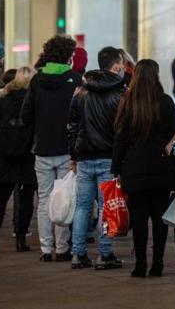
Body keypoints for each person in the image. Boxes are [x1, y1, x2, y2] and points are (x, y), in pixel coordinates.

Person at [112, 59, 175, 278]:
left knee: (139, 219)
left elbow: (120, 139)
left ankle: (140, 263)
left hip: (134, 168)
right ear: (156, 76)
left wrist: (116, 167)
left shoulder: (128, 102)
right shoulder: (166, 102)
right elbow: (174, 136)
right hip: (162, 168)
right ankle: (157, 263)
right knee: (160, 219)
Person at [21, 35, 82, 262]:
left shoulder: (37, 81)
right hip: (66, 150)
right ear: (68, 55)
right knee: (66, 197)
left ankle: (46, 249)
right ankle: (63, 247)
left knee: (45, 199)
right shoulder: (75, 80)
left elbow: (26, 115)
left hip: (42, 149)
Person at [67, 47, 126, 270]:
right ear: (116, 65)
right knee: (106, 207)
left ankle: (78, 254)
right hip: (108, 158)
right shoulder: (119, 94)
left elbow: (72, 126)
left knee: (82, 206)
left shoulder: (81, 91)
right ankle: (104, 254)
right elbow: (122, 130)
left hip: (84, 157)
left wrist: (73, 153)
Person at [0, 67, 36, 253]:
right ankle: (21, 240)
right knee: (26, 199)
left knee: (0, 200)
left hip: (5, 156)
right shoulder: (34, 103)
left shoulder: (4, 101)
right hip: (28, 156)